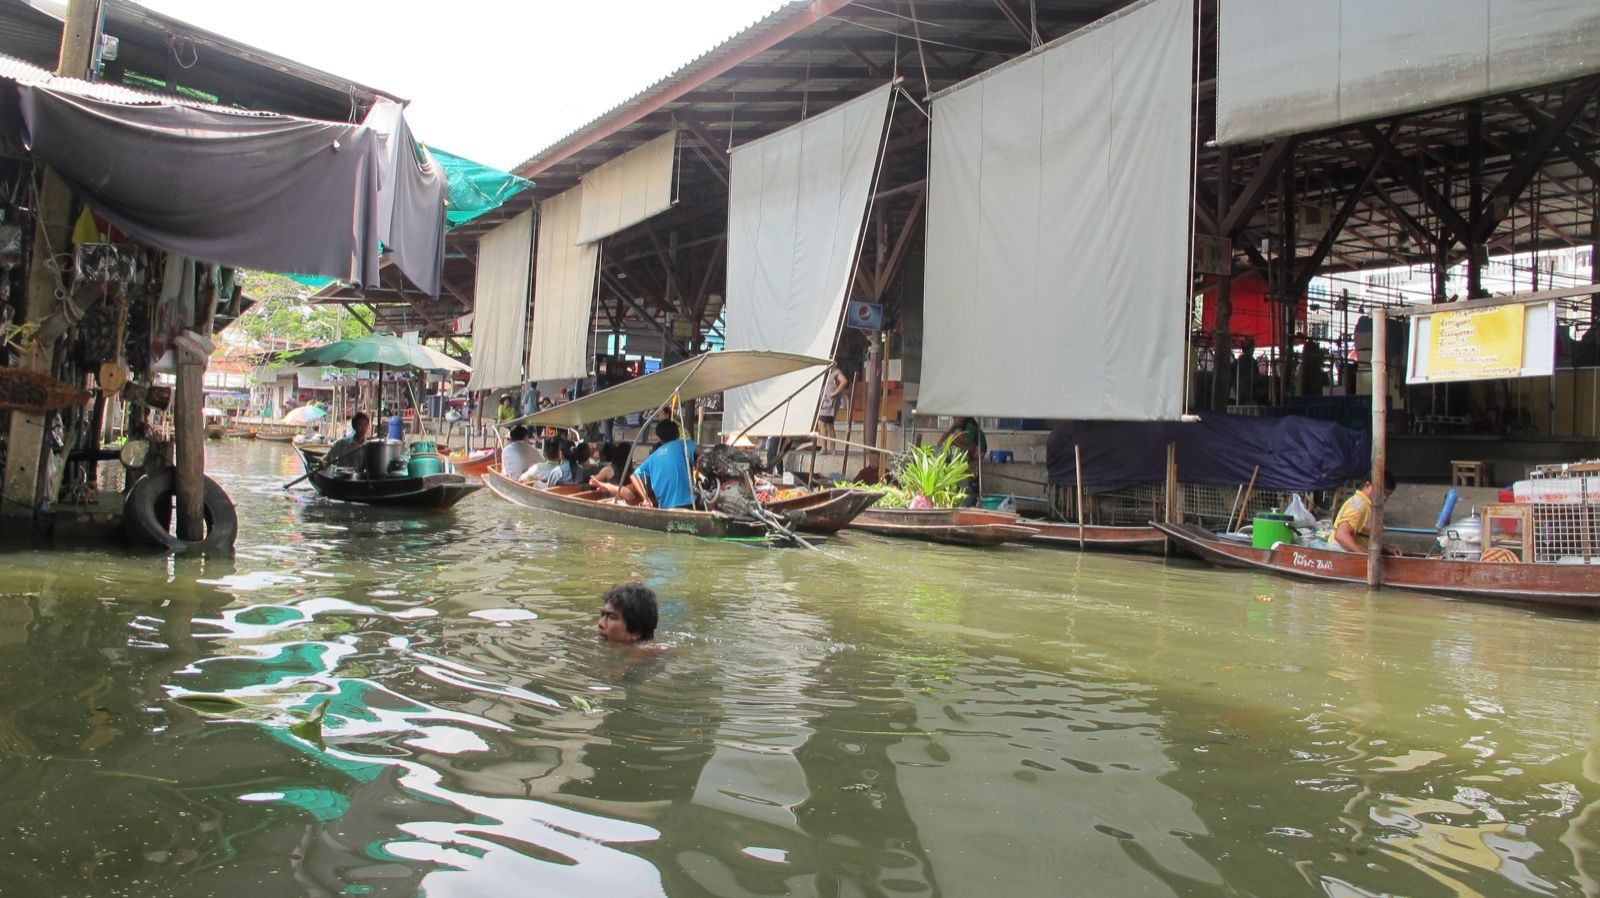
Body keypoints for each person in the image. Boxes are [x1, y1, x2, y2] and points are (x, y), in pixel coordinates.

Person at [590, 419, 697, 508]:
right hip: (686, 504)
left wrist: (646, 499)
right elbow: (629, 491)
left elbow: (631, 484)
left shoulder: (653, 459)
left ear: (659, 438)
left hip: (668, 506)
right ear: (678, 434)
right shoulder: (684, 445)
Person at [1331, 472, 1399, 555]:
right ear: (1368, 486)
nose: (1385, 498)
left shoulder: (1368, 506)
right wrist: (1364, 556)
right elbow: (1341, 534)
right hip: (1342, 556)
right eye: (1382, 492)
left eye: (1388, 494)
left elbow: (1364, 538)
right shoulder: (1360, 506)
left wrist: (1384, 548)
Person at [817, 365, 848, 444]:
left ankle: (824, 448)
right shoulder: (829, 373)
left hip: (830, 403)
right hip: (825, 402)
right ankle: (831, 449)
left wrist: (835, 393)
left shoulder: (837, 372)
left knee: (822, 423)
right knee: (828, 424)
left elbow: (844, 381)